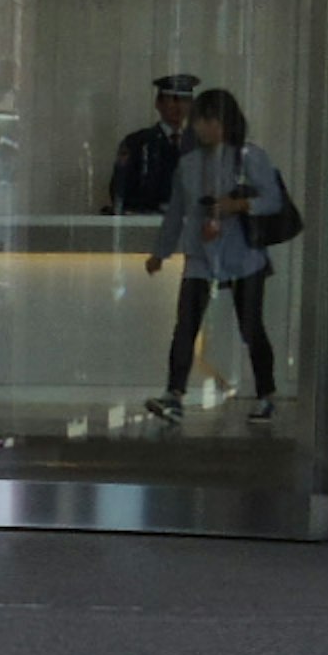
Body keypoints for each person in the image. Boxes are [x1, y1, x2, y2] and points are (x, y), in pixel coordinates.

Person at [141, 84, 286, 425]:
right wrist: (160, 253)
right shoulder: (189, 164)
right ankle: (174, 394)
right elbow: (176, 212)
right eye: (199, 121)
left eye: (207, 120)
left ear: (225, 122)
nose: (200, 128)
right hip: (200, 256)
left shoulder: (249, 157)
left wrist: (239, 204)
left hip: (244, 255)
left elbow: (273, 200)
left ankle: (266, 393)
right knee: (185, 326)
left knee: (251, 327)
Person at [106, 74, 195, 217]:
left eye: (185, 100)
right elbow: (120, 190)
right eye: (172, 99)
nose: (178, 106)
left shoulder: (198, 144)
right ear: (158, 103)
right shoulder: (138, 142)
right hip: (145, 221)